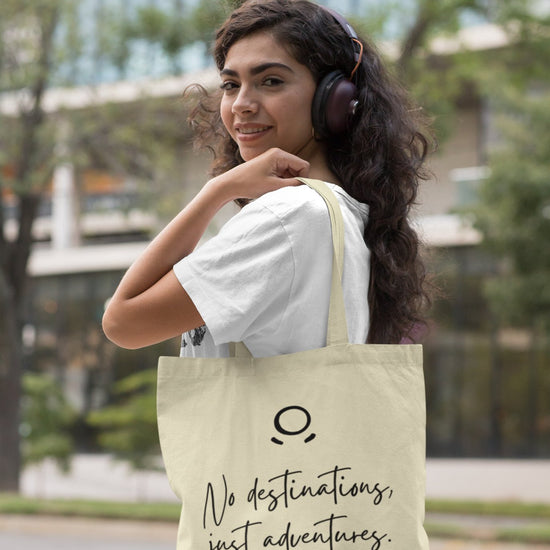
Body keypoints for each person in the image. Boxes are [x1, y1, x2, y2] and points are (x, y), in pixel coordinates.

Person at [102, 0, 433, 357]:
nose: (242, 103)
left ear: (335, 99)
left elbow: (123, 322)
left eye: (270, 81)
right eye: (230, 84)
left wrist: (218, 190)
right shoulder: (342, 212)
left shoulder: (289, 217)